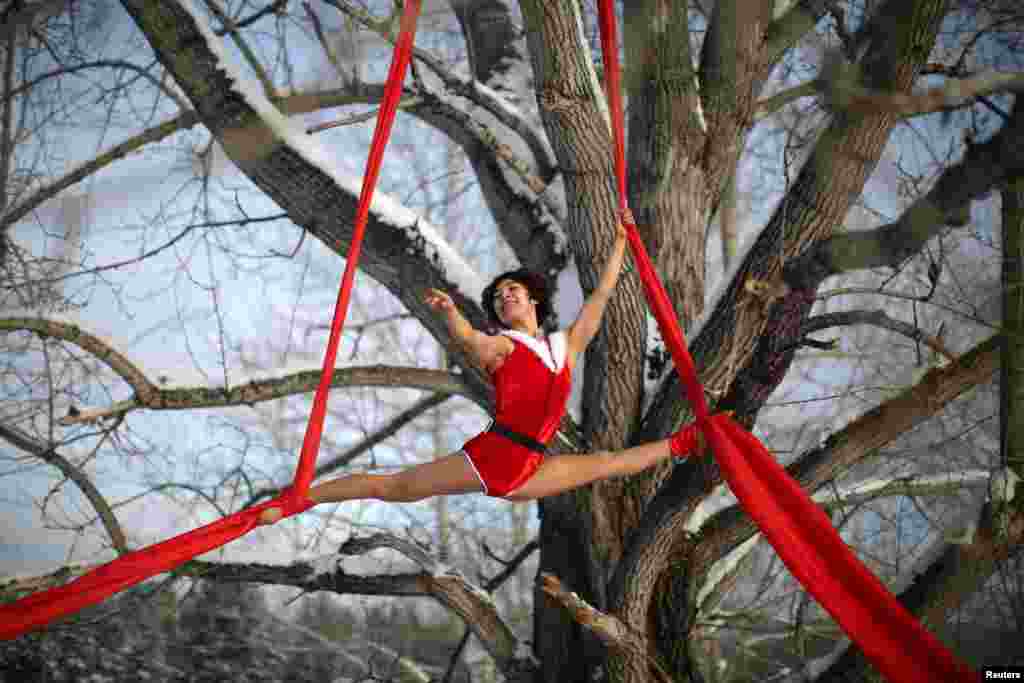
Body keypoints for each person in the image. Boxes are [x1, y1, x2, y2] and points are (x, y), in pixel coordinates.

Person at [259, 208, 694, 524]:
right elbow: (469, 341)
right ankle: (301, 500)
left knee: (607, 462)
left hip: (530, 469)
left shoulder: (563, 348)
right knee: (394, 487)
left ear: (532, 298)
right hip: (495, 456)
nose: (506, 298)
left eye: (512, 290)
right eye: (499, 299)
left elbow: (600, 297)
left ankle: (684, 444)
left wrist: (622, 241)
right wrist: (451, 311)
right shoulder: (503, 346)